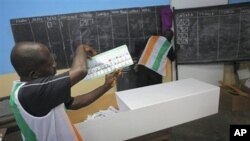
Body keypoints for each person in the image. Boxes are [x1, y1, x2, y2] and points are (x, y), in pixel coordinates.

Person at [9, 42, 120, 141]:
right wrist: (81, 48)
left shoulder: (35, 91)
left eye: (53, 60)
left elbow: (73, 103)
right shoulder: (29, 93)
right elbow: (80, 71)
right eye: (49, 64)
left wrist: (106, 86)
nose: (55, 65)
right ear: (34, 74)